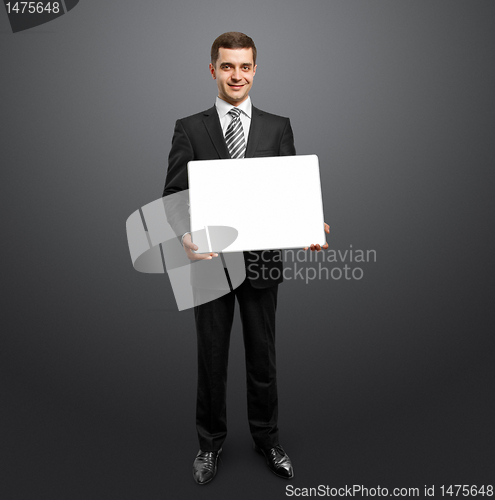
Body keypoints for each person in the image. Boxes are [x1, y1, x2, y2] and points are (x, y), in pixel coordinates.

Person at [163, 32, 329, 485]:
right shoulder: (189, 127)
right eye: (227, 66)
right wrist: (184, 237)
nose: (237, 75)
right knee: (211, 360)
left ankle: (268, 440)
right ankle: (209, 445)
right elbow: (175, 195)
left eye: (245, 67)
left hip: (261, 265)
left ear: (255, 69)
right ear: (213, 69)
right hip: (210, 262)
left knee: (263, 359)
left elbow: (289, 191)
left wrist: (308, 226)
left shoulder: (279, 126)